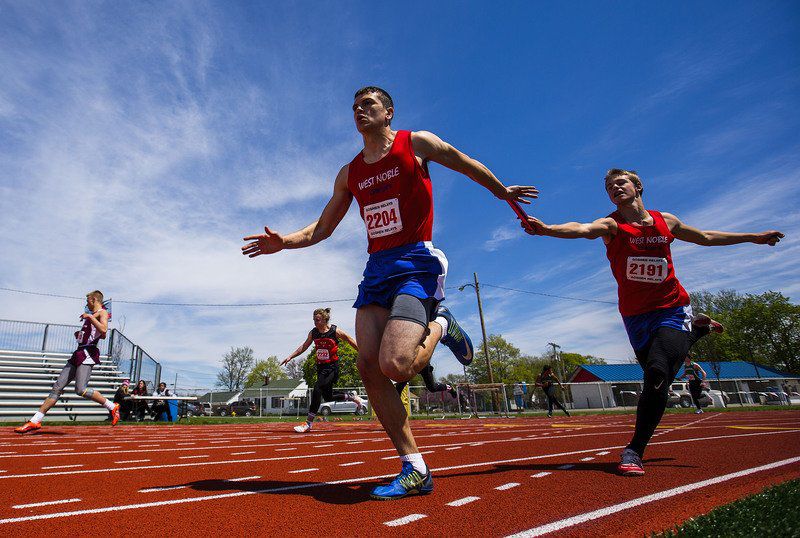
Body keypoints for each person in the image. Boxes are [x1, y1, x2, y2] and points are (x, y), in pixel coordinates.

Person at [242, 86, 537, 499]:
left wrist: (502, 192)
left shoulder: (415, 143)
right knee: (369, 369)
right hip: (377, 271)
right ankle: (414, 466)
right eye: (354, 108)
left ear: (388, 112)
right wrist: (283, 243)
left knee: (397, 364)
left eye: (368, 105)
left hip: (416, 262)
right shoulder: (349, 172)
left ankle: (441, 325)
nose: (359, 112)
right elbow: (322, 228)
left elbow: (466, 164)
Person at [520, 168, 783, 476]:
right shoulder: (611, 225)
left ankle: (634, 450)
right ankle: (697, 332)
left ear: (638, 186)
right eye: (609, 187)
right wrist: (546, 228)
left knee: (657, 372)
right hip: (634, 317)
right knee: (656, 382)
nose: (614, 188)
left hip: (671, 308)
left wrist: (754, 237)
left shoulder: (665, 221)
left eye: (620, 183)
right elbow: (581, 228)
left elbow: (707, 237)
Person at [15, 291, 120, 433]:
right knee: (57, 388)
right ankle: (35, 421)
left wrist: (89, 317)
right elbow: (100, 335)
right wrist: (82, 334)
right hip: (79, 352)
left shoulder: (103, 313)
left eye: (88, 300)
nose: (86, 303)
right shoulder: (92, 315)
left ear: (94, 299)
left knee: (81, 389)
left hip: (88, 353)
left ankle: (112, 407)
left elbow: (104, 330)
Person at [281, 308, 365, 433]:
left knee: (317, 389)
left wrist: (362, 352)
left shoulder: (334, 331)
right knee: (327, 396)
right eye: (314, 320)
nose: (315, 322)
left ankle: (308, 423)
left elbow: (349, 339)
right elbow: (304, 346)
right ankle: (351, 397)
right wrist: (290, 356)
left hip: (332, 367)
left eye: (317, 320)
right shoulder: (314, 333)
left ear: (325, 319)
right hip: (321, 367)